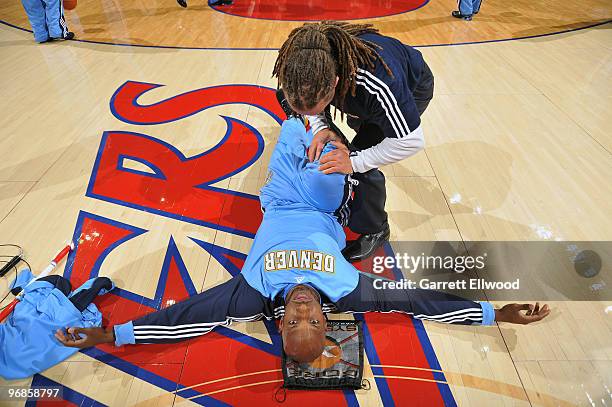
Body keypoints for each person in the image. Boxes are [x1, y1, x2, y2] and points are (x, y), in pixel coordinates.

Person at [56, 118, 550, 363]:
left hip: (277, 199)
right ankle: (318, 110)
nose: (301, 309)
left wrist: (108, 335)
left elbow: (184, 318)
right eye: (311, 319)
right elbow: (418, 299)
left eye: (292, 320)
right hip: (319, 202)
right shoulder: (347, 290)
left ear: (281, 322)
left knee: (290, 129)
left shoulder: (252, 293)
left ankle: (301, 107)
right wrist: (495, 312)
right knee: (318, 140)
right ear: (325, 320)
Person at [272, 21, 434, 262]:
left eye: (320, 106)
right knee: (355, 133)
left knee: (362, 157)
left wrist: (354, 162)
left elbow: (411, 141)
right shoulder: (300, 64)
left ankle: (376, 228)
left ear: (335, 84)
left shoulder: (376, 84)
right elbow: (309, 105)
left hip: (413, 86)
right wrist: (322, 128)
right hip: (361, 92)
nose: (309, 114)